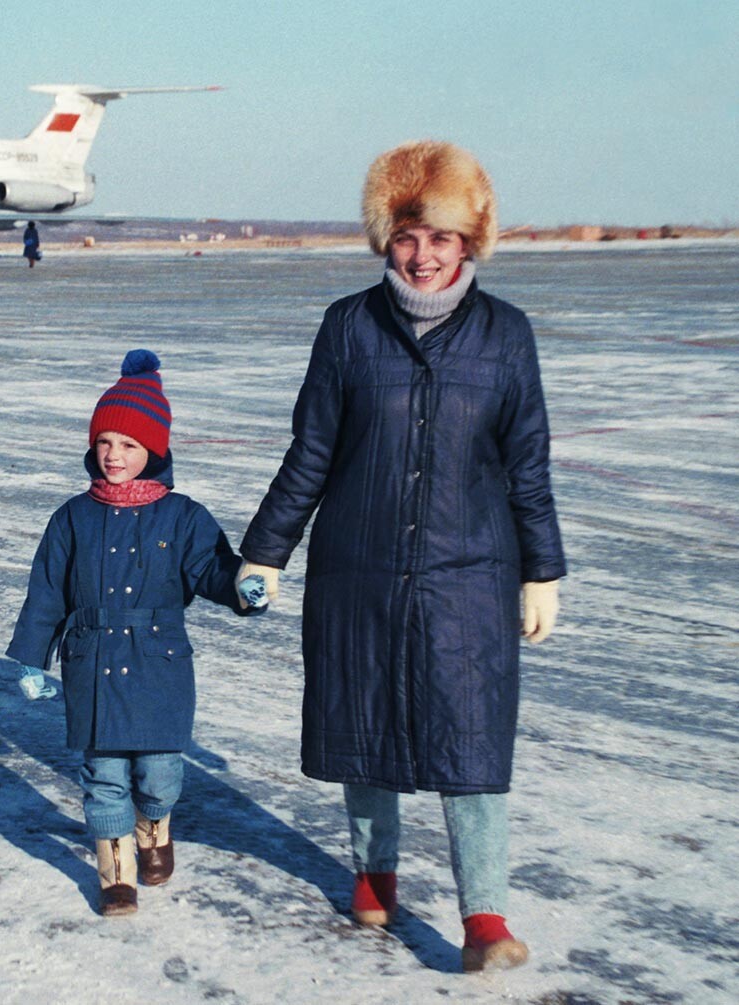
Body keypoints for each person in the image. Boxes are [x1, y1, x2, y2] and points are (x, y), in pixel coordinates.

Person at [237, 141, 565, 972]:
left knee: (474, 741)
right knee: (366, 724)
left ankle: (484, 916)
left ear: (470, 243)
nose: (423, 257)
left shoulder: (506, 336)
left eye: (442, 239)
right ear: (387, 238)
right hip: (361, 564)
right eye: (408, 237)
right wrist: (267, 551)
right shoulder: (349, 327)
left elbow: (527, 462)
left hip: (471, 574)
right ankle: (373, 875)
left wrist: (542, 569)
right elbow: (311, 451)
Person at [8, 349, 263, 916]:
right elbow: (47, 590)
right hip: (92, 657)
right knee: (103, 776)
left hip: (158, 661)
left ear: (154, 450)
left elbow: (211, 569)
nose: (114, 456)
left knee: (159, 773)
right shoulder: (72, 517)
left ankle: (155, 829)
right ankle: (116, 876)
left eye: (128, 444)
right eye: (104, 443)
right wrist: (32, 660)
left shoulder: (184, 516)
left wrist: (243, 587)